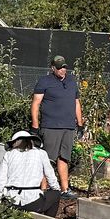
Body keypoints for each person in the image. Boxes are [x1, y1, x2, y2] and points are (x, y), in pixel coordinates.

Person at [31, 55, 83, 196]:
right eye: (59, 67)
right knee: (47, 159)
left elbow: (76, 103)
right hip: (51, 127)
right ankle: (43, 189)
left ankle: (64, 189)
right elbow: (36, 103)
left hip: (68, 127)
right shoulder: (44, 81)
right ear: (52, 68)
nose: (62, 70)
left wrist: (80, 123)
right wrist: (35, 126)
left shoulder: (72, 82)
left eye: (64, 67)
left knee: (64, 158)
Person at [0, 130, 61, 217]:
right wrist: (55, 189)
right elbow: (51, 177)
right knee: (56, 194)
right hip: (33, 203)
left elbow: (0, 180)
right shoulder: (41, 153)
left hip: (12, 201)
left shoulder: (8, 155)